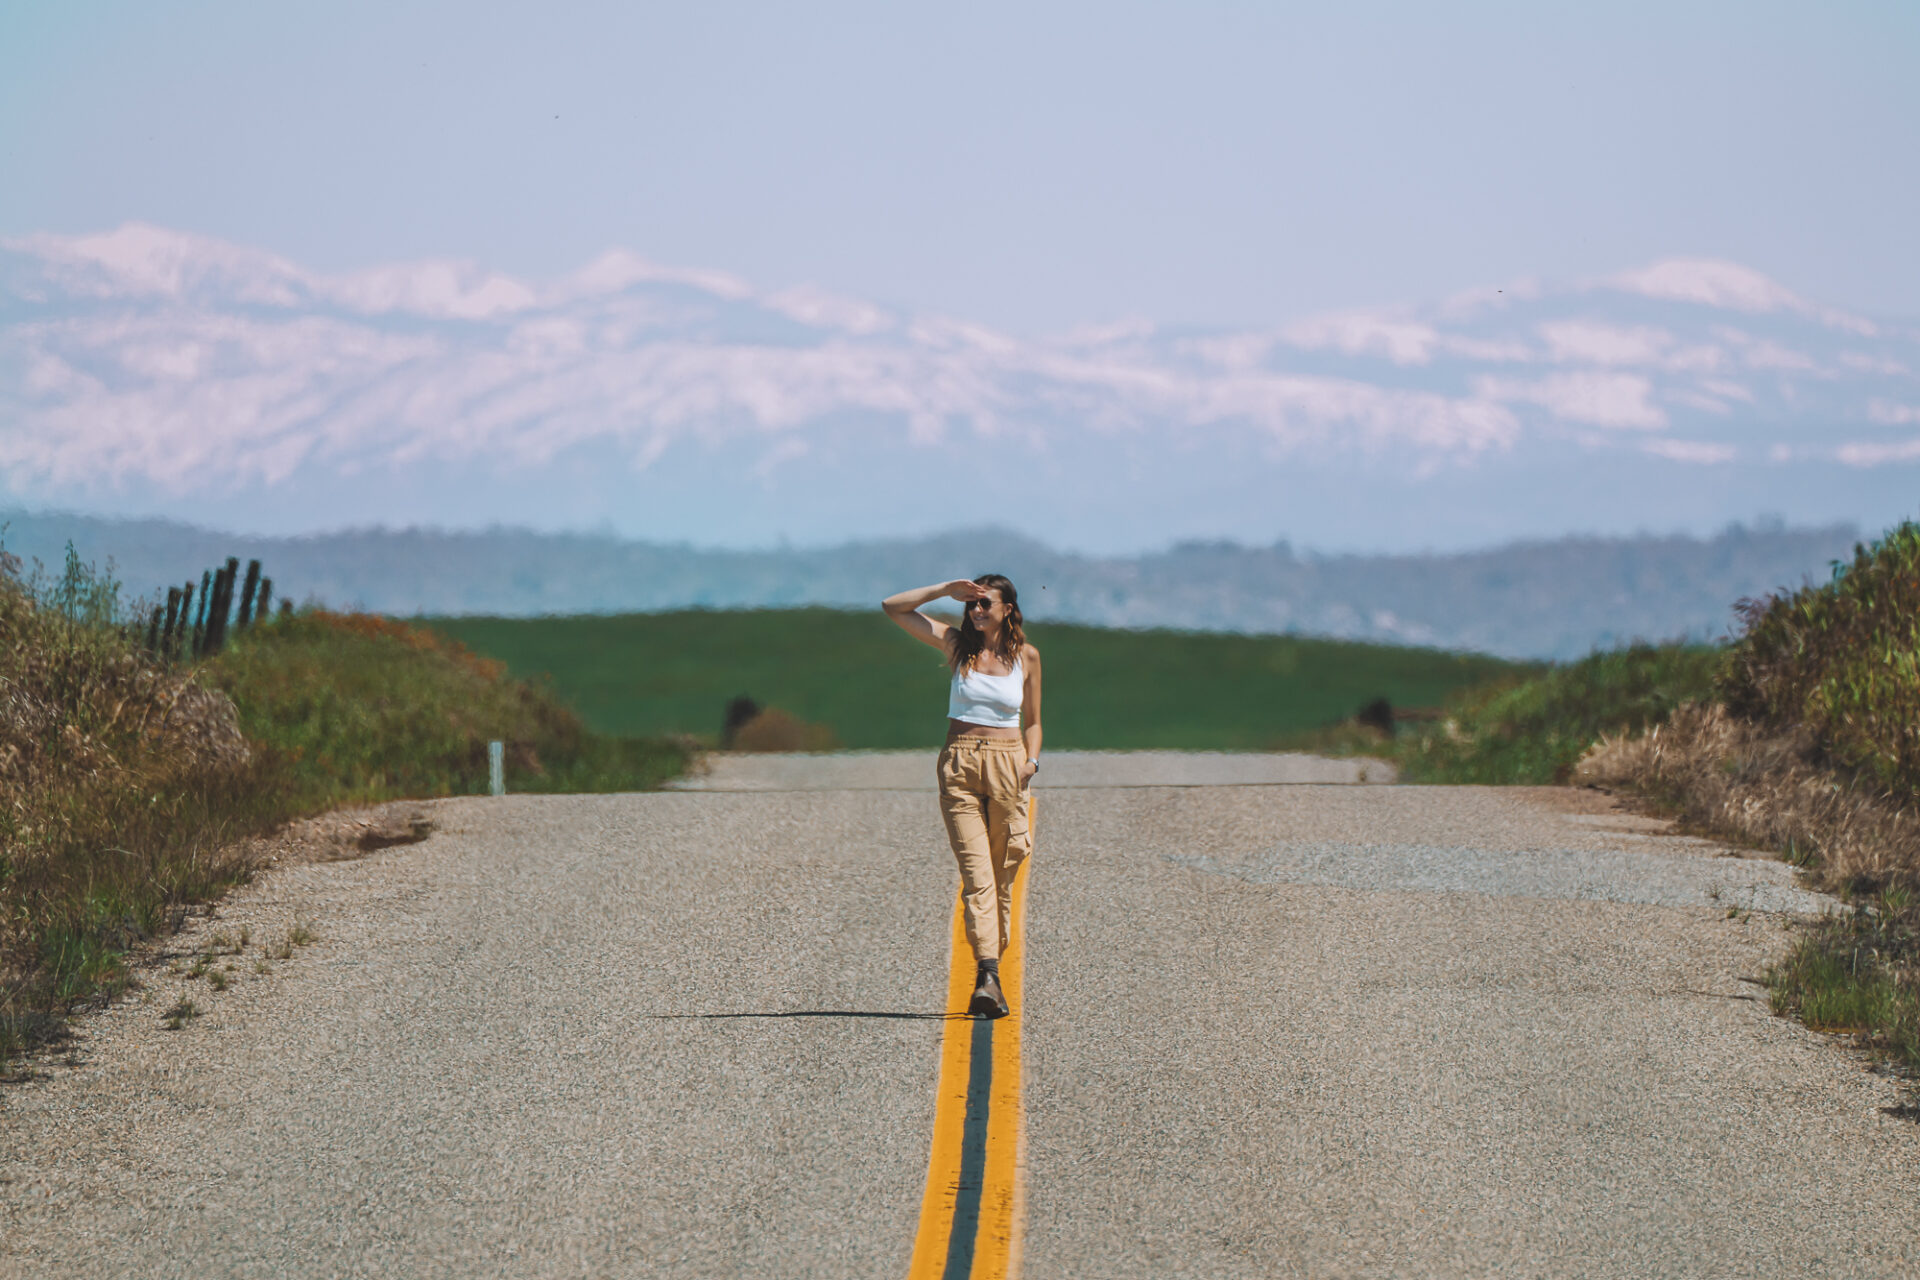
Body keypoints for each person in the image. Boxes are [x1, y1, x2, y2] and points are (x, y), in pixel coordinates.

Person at [882, 574, 1042, 1018]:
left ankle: (990, 970)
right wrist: (943, 591)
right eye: (971, 604)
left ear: (1007, 609)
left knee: (1003, 876)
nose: (976, 611)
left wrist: (1031, 763)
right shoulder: (958, 647)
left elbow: (1033, 721)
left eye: (985, 603)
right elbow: (893, 607)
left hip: (1009, 765)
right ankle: (987, 973)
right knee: (977, 876)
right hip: (960, 764)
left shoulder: (1026, 656)